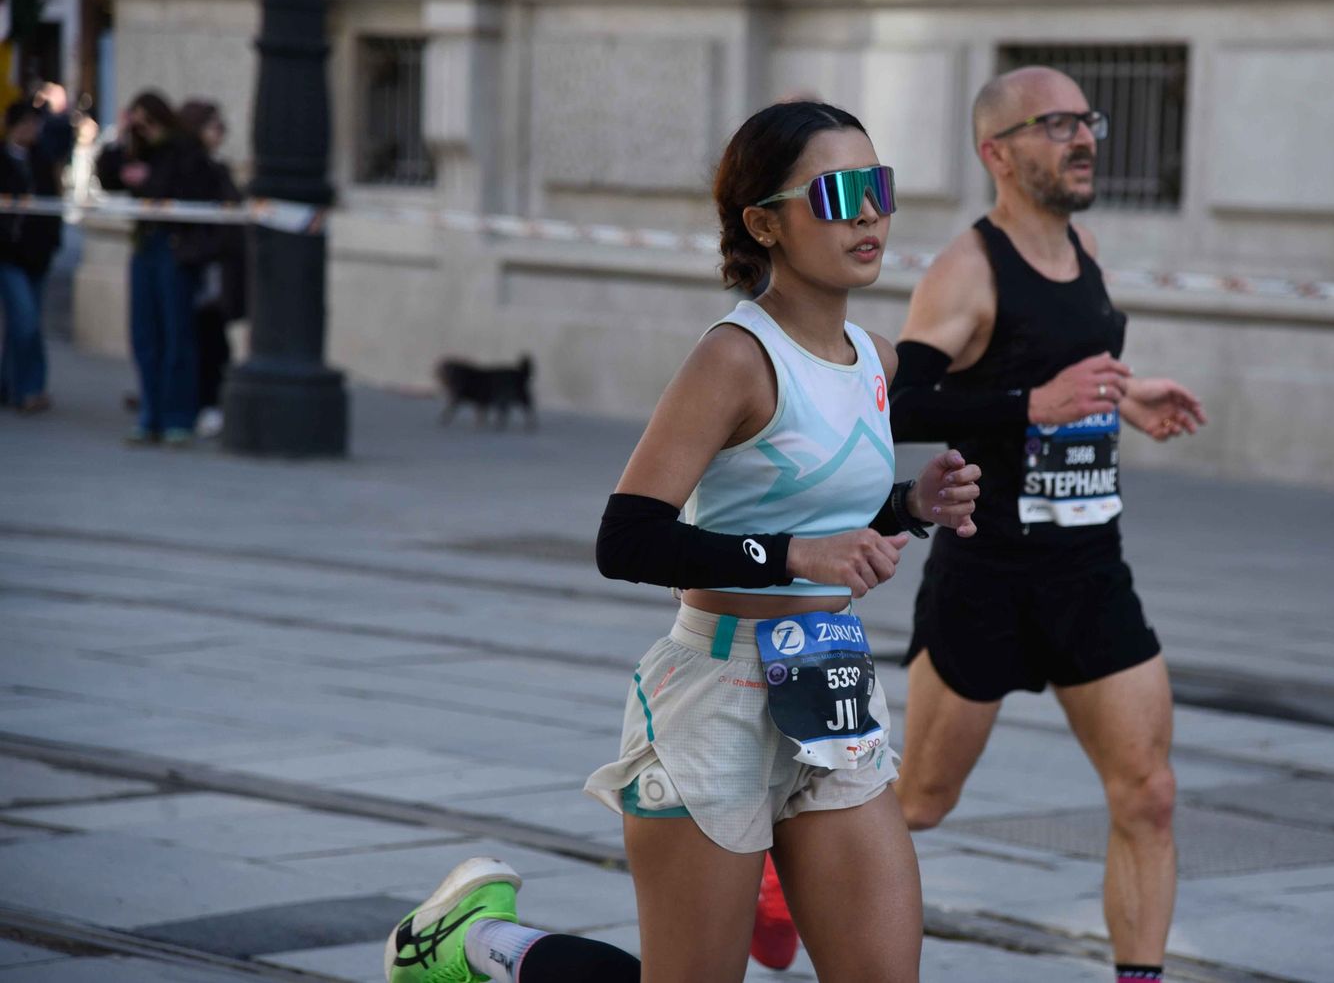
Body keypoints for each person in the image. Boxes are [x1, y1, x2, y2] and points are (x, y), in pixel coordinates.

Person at [382, 100, 983, 983]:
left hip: (830, 689)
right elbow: (626, 539)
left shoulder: (874, 357)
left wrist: (908, 506)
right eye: (839, 193)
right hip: (717, 697)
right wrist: (792, 558)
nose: (868, 214)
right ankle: (479, 944)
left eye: (879, 187)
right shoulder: (735, 358)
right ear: (763, 223)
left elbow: (811, 507)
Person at [887, 66, 1205, 983]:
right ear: (998, 152)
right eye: (1054, 123)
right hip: (989, 575)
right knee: (921, 801)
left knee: (1149, 795)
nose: (1083, 138)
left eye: (1086, 119)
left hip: (1090, 568)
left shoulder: (1086, 249)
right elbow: (898, 405)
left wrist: (1125, 394)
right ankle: (787, 879)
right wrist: (1034, 405)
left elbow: (1069, 367)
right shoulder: (967, 268)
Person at [94, 90, 215, 445]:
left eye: (148, 121)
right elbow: (109, 174)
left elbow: (182, 188)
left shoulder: (183, 148)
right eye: (138, 121)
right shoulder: (138, 147)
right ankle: (151, 413)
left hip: (174, 247)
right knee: (145, 334)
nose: (144, 128)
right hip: (145, 244)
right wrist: (122, 134)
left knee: (176, 333)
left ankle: (177, 416)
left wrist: (145, 177)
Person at [176, 99, 248, 439]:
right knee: (206, 339)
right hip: (201, 265)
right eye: (213, 126)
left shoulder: (215, 167)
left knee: (213, 338)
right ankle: (202, 404)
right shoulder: (192, 167)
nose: (220, 132)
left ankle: (208, 402)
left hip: (216, 265)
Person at [0, 101, 63, 414]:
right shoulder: (4, 158)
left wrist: (53, 242)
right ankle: (23, 387)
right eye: (25, 123)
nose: (30, 130)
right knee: (23, 320)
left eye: (34, 123)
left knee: (29, 323)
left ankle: (24, 387)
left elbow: (53, 206)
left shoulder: (42, 159)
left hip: (37, 254)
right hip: (9, 254)